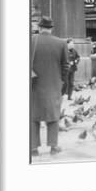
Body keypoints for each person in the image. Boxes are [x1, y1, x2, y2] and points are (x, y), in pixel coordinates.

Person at [30, 16, 69, 157]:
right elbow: (66, 66)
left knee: (33, 116)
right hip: (54, 84)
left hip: (34, 84)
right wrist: (62, 81)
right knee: (53, 116)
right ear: (51, 29)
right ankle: (53, 146)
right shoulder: (61, 43)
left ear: (39, 28)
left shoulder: (31, 41)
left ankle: (33, 148)